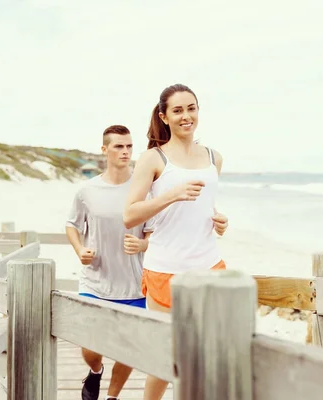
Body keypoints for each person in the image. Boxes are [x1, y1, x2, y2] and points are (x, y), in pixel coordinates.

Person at [123, 83, 229, 400]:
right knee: (164, 360)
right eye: (178, 110)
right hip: (165, 269)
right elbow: (129, 215)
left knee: (210, 356)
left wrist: (220, 221)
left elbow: (204, 206)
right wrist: (171, 195)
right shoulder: (152, 159)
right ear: (164, 116)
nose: (186, 116)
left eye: (191, 108)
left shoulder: (214, 157)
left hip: (209, 266)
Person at [66, 124, 154, 400]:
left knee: (128, 349)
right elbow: (71, 225)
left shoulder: (143, 190)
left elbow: (153, 235)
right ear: (104, 150)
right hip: (95, 282)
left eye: (129, 146)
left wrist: (142, 244)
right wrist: (80, 249)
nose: (125, 151)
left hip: (133, 285)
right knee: (91, 347)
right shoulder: (87, 191)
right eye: (118, 146)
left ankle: (112, 397)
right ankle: (95, 372)